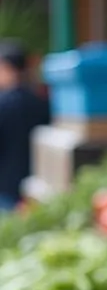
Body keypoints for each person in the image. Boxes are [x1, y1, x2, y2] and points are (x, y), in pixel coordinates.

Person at [0, 39, 50, 211]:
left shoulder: (3, 104)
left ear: (7, 67)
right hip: (36, 185)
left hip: (5, 186)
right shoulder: (41, 102)